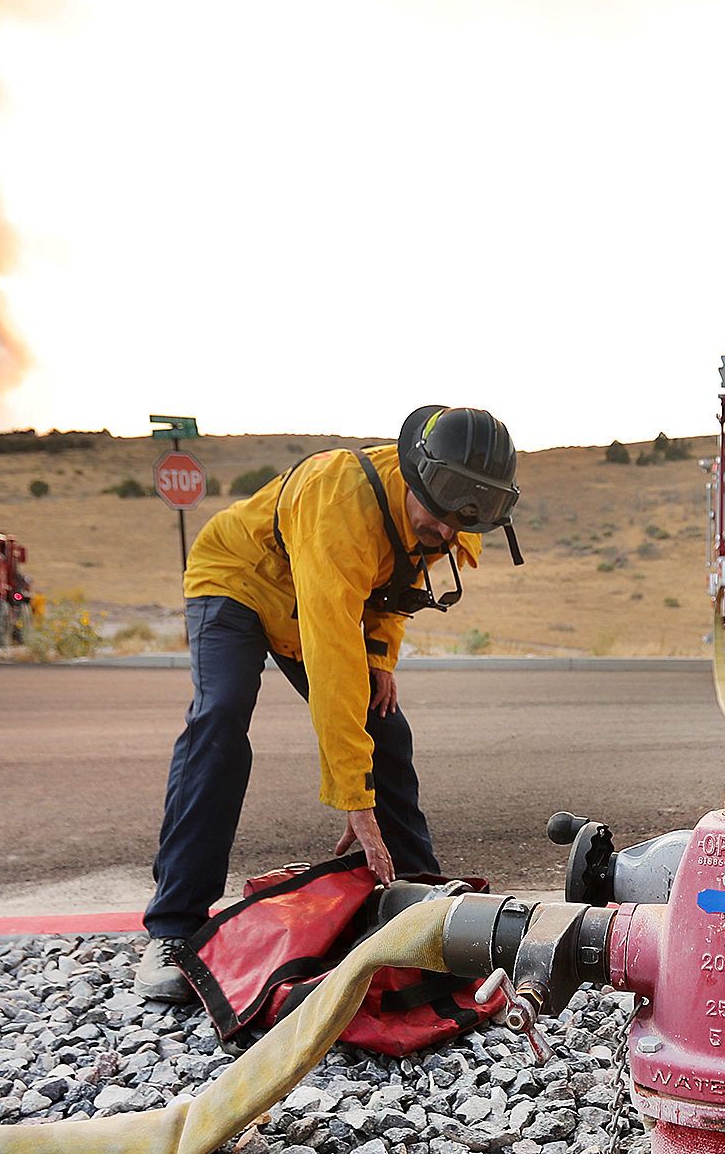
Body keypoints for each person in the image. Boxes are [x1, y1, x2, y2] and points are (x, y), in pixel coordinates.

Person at [134, 406, 521, 1002]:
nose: (448, 532)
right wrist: (354, 801)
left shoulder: (448, 502)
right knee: (222, 716)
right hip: (237, 578)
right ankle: (173, 926)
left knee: (387, 728)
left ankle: (420, 907)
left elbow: (395, 588)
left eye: (462, 522)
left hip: (314, 606)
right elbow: (331, 656)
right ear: (417, 474)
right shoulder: (340, 503)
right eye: (440, 516)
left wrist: (382, 657)